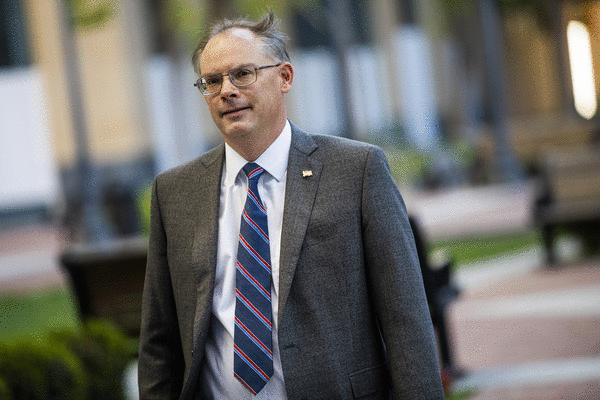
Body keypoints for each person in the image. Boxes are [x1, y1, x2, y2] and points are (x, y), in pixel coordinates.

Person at [138, 11, 444, 400]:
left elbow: (406, 319)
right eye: (212, 81)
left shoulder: (357, 170)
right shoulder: (175, 192)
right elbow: (159, 340)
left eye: (242, 74)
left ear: (284, 77)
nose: (226, 90)